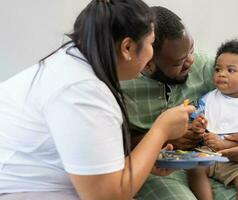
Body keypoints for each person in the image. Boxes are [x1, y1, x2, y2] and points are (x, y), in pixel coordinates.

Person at [0, 1, 196, 200]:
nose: (150, 56)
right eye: (150, 43)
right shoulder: (82, 92)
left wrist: (144, 161)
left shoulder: (71, 64)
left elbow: (97, 167)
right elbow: (107, 197)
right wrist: (161, 130)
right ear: (127, 47)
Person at [121, 6, 238, 200]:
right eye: (179, 61)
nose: (191, 61)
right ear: (148, 63)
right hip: (159, 172)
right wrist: (164, 138)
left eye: (191, 50)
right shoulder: (121, 84)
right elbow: (116, 149)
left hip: (219, 163)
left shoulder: (206, 67)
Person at [189, 39, 238, 200]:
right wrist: (197, 125)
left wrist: (224, 144)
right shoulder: (208, 100)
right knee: (194, 169)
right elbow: (196, 118)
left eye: (231, 70)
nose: (221, 73)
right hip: (209, 155)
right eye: (218, 69)